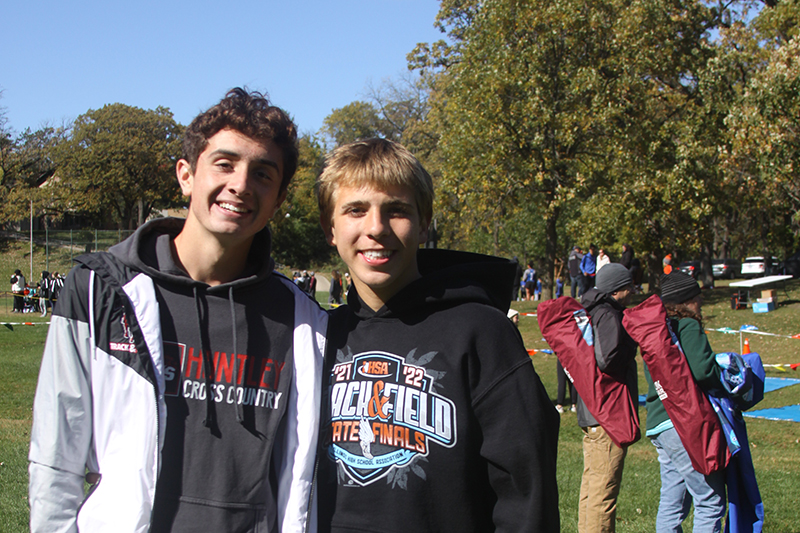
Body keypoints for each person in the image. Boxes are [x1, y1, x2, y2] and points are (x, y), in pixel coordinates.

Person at [28, 88, 328, 532]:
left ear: (279, 199)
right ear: (186, 175)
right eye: (224, 164)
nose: (241, 185)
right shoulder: (100, 287)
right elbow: (57, 457)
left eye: (263, 174)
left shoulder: (305, 320)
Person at [315, 138, 560, 532]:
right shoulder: (321, 336)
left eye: (396, 210)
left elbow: (526, 492)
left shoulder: (481, 331)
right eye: (355, 210)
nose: (375, 228)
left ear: (424, 222)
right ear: (330, 227)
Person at [644, 271, 726, 533]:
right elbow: (702, 370)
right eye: (697, 297)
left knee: (672, 502)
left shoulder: (658, 334)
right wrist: (725, 379)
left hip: (659, 422)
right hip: (682, 424)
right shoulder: (688, 327)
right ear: (688, 300)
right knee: (710, 501)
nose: (701, 301)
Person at [577, 263, 639, 533]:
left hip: (592, 410)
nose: (634, 292)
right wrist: (632, 343)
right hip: (607, 415)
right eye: (630, 287)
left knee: (592, 488)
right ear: (619, 290)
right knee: (604, 492)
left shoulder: (590, 311)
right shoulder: (608, 314)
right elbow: (607, 358)